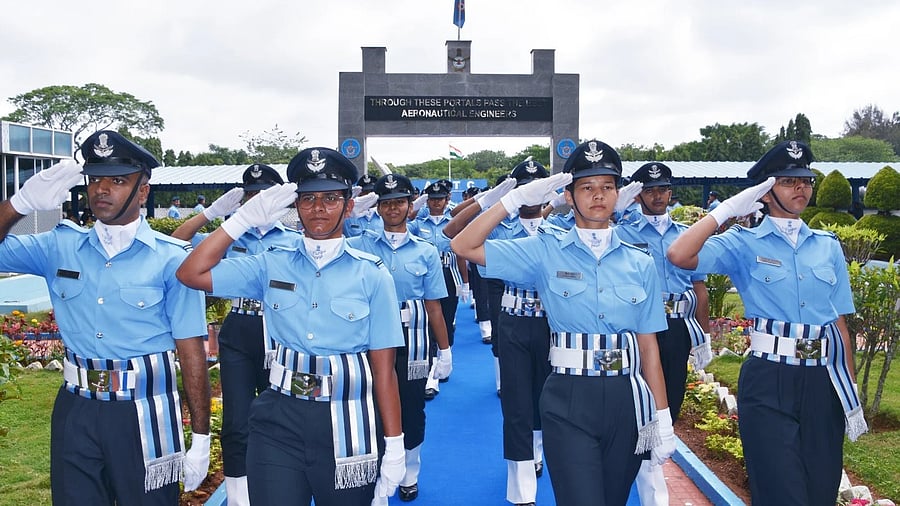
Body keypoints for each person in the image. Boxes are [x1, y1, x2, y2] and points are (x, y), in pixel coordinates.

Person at [176, 147, 406, 506]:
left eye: (331, 198)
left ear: (348, 206)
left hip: (346, 420)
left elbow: (384, 370)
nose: (318, 208)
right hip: (278, 417)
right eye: (308, 198)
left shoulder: (372, 274)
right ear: (295, 206)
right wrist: (241, 220)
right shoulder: (270, 264)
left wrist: (394, 445)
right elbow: (190, 273)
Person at [452, 139, 674, 506]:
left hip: (626, 397)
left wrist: (662, 415)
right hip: (569, 395)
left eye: (607, 187)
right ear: (568, 197)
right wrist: (511, 200)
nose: (598, 196)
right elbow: (463, 246)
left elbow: (649, 345)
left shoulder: (641, 262)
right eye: (586, 187)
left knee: (613, 498)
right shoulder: (545, 249)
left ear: (619, 194)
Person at [0, 130, 211, 505]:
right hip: (76, 408)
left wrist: (201, 436)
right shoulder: (58, 246)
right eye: (95, 179)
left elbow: (190, 347)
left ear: (142, 191)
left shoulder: (172, 257)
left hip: (143, 411)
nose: (101, 189)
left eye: (117, 180)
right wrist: (20, 202)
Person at [667, 140, 866, 505]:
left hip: (823, 379)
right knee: (779, 489)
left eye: (805, 179)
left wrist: (849, 388)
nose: (801, 187)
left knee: (820, 488)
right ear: (766, 191)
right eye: (788, 181)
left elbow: (839, 324)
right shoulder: (743, 243)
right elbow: (679, 254)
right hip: (769, 377)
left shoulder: (827, 245)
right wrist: (726, 210)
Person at [171, 163, 300, 506]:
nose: (257, 201)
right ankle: (240, 499)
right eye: (251, 195)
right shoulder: (230, 237)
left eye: (265, 195)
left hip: (281, 333)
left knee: (281, 419)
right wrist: (212, 214)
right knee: (236, 422)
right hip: (240, 331)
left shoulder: (294, 240)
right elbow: (175, 244)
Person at [445, 159, 556, 506]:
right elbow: (452, 233)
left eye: (537, 187)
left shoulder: (563, 226)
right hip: (513, 320)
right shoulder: (501, 227)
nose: (531, 195)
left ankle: (537, 450)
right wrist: (494, 200)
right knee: (517, 402)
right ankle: (522, 487)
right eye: (524, 187)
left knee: (546, 398)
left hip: (554, 323)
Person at [347, 173, 452, 503]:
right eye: (386, 202)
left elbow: (434, 306)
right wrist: (350, 211)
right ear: (377, 208)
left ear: (411, 206)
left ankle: (409, 469)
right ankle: (379, 471)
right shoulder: (361, 244)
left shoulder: (425, 250)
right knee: (372, 404)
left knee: (412, 406)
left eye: (400, 202)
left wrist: (445, 349)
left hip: (415, 336)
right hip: (370, 336)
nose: (393, 208)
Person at [613, 162, 711, 505]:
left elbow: (700, 289)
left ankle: (652, 466)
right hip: (639, 330)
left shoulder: (686, 234)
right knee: (640, 403)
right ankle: (650, 484)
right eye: (651, 190)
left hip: (677, 328)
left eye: (663, 190)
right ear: (638, 193)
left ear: (671, 193)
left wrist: (705, 334)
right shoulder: (622, 231)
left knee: (671, 402)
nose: (658, 196)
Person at [408, 179, 464, 400]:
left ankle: (443, 359)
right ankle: (428, 375)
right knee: (424, 326)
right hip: (421, 278)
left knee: (445, 322)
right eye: (431, 199)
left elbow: (460, 251)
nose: (436, 203)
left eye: (440, 199)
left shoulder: (452, 223)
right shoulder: (418, 223)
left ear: (447, 200)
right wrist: (417, 203)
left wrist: (465, 283)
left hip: (447, 275)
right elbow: (405, 220)